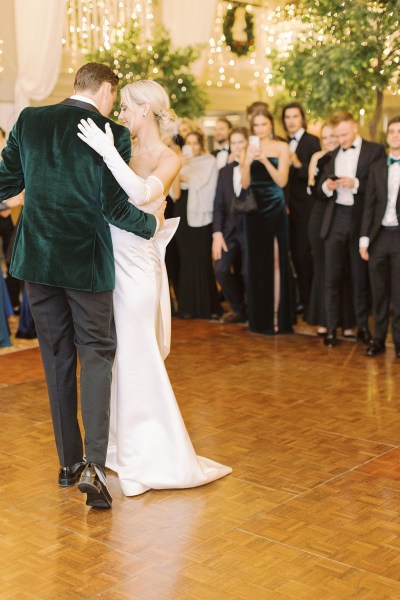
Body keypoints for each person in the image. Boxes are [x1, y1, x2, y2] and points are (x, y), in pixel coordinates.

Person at [0, 62, 164, 509]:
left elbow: (6, 185)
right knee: (96, 355)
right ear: (108, 89)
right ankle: (94, 464)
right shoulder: (111, 132)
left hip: (36, 262)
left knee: (56, 357)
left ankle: (68, 463)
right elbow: (112, 206)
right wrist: (151, 225)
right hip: (85, 265)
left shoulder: (30, 120)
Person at [77, 80, 232, 496]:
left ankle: (152, 455)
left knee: (137, 349)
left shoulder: (169, 156)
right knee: (115, 354)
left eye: (126, 108)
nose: (121, 115)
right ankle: (121, 447)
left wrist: (108, 152)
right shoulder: (124, 148)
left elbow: (143, 192)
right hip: (109, 261)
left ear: (145, 109)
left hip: (140, 267)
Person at [319, 111, 386, 348]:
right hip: (335, 218)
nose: (341, 140)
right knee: (332, 279)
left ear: (355, 128)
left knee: (360, 278)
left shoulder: (375, 151)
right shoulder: (330, 155)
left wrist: (356, 183)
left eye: (344, 135)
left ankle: (362, 329)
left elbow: (381, 187)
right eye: (337, 136)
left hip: (360, 220)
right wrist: (327, 186)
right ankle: (331, 329)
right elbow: (318, 189)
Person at [241, 107, 293, 334]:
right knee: (256, 262)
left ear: (271, 124)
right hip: (254, 208)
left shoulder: (282, 147)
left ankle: (277, 316)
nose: (260, 129)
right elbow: (243, 185)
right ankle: (260, 318)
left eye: (263, 124)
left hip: (274, 206)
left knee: (276, 260)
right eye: (256, 125)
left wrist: (264, 160)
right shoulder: (247, 148)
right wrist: (247, 161)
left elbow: (282, 181)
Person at [306, 123, 355, 337]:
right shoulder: (319, 158)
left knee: (344, 270)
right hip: (321, 216)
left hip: (343, 216)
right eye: (325, 138)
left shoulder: (348, 157)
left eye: (332, 137)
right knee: (324, 269)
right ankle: (324, 319)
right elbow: (312, 189)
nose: (330, 141)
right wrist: (326, 186)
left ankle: (347, 322)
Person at [360, 116, 400, 358]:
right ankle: (378, 340)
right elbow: (369, 205)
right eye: (392, 131)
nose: (396, 135)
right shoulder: (376, 167)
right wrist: (364, 239)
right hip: (378, 237)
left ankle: (399, 342)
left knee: (399, 294)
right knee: (379, 292)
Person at [173, 131, 221, 320]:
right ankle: (187, 307)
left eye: (195, 143)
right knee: (186, 258)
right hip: (182, 209)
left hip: (201, 213)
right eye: (189, 142)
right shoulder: (180, 162)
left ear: (201, 144)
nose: (192, 146)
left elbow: (205, 185)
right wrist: (179, 169)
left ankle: (206, 307)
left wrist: (185, 178)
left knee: (201, 258)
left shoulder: (209, 161)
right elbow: (175, 192)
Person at [282, 102, 321, 316]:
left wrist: (297, 164)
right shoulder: (282, 142)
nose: (291, 121)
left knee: (306, 257)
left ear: (302, 118)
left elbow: (316, 174)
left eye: (295, 116)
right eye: (287, 117)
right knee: (295, 257)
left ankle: (309, 305)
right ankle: (299, 301)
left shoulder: (312, 141)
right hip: (287, 209)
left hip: (306, 209)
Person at [212, 127, 248, 324]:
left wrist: (246, 165)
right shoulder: (224, 171)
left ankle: (253, 311)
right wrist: (217, 234)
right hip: (229, 231)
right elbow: (218, 205)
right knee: (221, 269)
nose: (237, 146)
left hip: (250, 230)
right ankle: (238, 309)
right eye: (234, 143)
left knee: (247, 272)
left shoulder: (255, 167)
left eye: (241, 142)